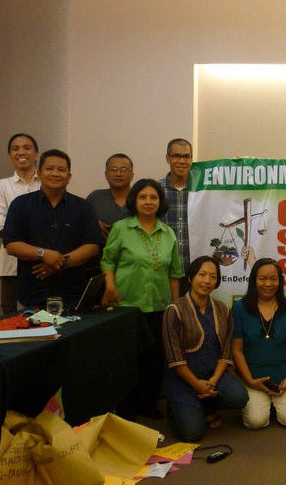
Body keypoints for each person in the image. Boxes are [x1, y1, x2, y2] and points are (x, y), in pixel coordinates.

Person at [101, 178, 183, 420]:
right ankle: (125, 407)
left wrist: (174, 306)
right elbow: (108, 260)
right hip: (126, 304)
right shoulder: (121, 228)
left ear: (160, 202)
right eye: (143, 197)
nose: (148, 202)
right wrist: (110, 286)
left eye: (153, 197)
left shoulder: (168, 233)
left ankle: (147, 404)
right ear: (134, 201)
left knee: (154, 358)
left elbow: (174, 272)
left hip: (159, 305)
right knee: (127, 359)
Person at [162, 256, 249, 441]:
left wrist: (213, 381)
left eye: (213, 276)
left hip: (212, 375)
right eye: (202, 275)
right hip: (183, 379)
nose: (207, 281)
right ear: (190, 277)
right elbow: (174, 358)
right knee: (193, 433)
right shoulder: (174, 310)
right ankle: (178, 408)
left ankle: (207, 405)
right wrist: (197, 384)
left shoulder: (223, 310)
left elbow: (226, 351)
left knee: (239, 397)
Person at [4, 149, 102, 309]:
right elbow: (11, 244)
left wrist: (60, 262)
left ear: (69, 176)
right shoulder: (20, 204)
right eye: (49, 169)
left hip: (73, 293)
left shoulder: (83, 207)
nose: (55, 174)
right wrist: (44, 254)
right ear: (39, 173)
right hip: (32, 293)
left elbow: (92, 245)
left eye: (61, 170)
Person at [232, 258, 286, 429]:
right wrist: (250, 380)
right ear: (254, 281)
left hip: (283, 380)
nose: (268, 284)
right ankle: (263, 402)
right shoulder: (239, 308)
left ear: (280, 282)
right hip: (253, 378)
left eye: (273, 279)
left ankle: (274, 402)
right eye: (262, 279)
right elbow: (237, 350)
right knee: (255, 422)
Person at [0, 133, 42, 314]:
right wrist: (42, 233)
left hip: (47, 265)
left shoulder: (49, 184)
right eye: (15, 149)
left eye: (27, 148)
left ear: (37, 154)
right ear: (10, 155)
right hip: (12, 268)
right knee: (12, 321)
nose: (21, 152)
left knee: (50, 318)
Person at [159, 138, 192, 294]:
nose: (181, 161)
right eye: (176, 156)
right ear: (167, 158)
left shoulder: (202, 190)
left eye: (186, 156)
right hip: (164, 271)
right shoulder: (155, 191)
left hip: (194, 272)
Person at [86, 153, 135, 242]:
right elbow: (80, 223)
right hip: (100, 249)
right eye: (113, 169)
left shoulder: (141, 198)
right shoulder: (95, 198)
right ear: (106, 174)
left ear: (132, 175)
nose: (118, 174)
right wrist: (93, 223)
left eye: (124, 170)